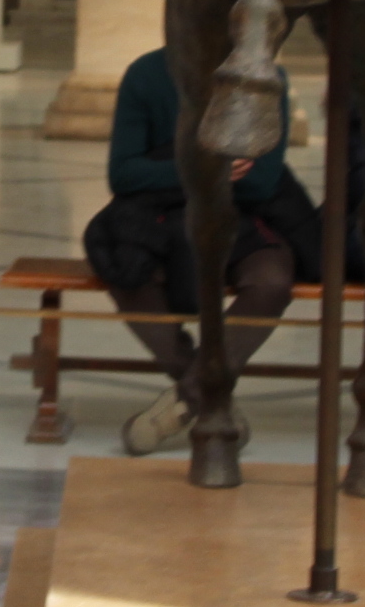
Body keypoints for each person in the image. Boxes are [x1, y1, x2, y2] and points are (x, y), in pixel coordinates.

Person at [81, 46, 317, 455]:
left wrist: (180, 166)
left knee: (273, 280)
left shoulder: (266, 79)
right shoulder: (146, 73)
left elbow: (261, 181)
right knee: (128, 272)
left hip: (243, 215)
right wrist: (204, 165)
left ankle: (188, 394)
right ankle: (212, 399)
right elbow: (123, 173)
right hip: (161, 215)